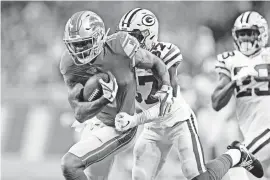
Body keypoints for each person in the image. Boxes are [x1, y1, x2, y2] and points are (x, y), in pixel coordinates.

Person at [115, 8, 264, 180]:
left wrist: (133, 120)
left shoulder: (165, 55)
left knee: (198, 177)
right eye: (124, 37)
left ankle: (237, 155)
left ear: (149, 36)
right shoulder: (120, 62)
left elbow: (164, 106)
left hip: (178, 121)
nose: (128, 43)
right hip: (153, 126)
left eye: (134, 37)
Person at [59, 10, 173, 180]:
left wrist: (166, 86)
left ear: (98, 37)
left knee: (70, 165)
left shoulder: (121, 45)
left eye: (85, 43)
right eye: (75, 44)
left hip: (121, 126)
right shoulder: (69, 64)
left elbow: (156, 63)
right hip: (94, 122)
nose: (79, 50)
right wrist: (104, 99)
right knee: (95, 177)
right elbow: (80, 113)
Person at [212, 11, 270, 179]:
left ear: (262, 33)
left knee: (237, 158)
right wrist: (235, 82)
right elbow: (216, 103)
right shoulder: (230, 60)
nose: (245, 38)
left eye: (250, 33)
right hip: (252, 131)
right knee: (242, 172)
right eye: (241, 34)